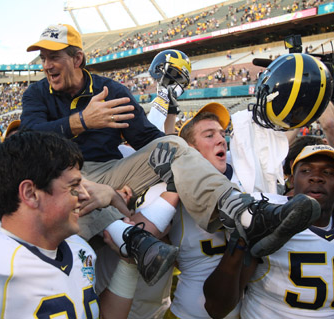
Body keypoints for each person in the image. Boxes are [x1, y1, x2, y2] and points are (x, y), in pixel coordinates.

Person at [21, 23, 318, 261]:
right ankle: (130, 241)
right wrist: (83, 121)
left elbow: (146, 138)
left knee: (172, 146)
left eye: (54, 57)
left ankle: (242, 215)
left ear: (76, 58)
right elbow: (27, 141)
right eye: (43, 58)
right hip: (62, 178)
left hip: (112, 172)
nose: (46, 65)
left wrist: (181, 155)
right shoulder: (36, 94)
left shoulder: (111, 90)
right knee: (76, 188)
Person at [0, 130, 139, 318]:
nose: (85, 195)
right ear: (30, 194)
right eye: (74, 186)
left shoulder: (80, 250)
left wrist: (128, 265)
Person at [204, 144, 334, 318]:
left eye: (328, 172)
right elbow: (216, 308)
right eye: (306, 170)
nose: (316, 177)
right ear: (292, 180)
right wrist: (242, 240)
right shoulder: (268, 217)